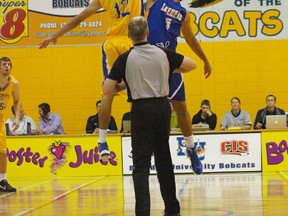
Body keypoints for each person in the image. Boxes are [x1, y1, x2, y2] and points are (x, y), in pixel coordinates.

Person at [100, 16, 196, 216]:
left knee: (141, 164)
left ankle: (142, 212)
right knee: (163, 159)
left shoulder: (125, 58)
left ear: (129, 36)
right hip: (162, 107)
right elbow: (192, 65)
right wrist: (169, 69)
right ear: (148, 33)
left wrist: (125, 84)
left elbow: (107, 89)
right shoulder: (162, 53)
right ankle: (172, 208)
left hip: (140, 110)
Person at [145, 0, 212, 174]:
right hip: (149, 60)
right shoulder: (155, 1)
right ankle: (149, 147)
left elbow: (190, 39)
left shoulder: (184, 13)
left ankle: (191, 148)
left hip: (170, 60)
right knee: (150, 109)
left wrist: (205, 59)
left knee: (181, 109)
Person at [0, 57, 21, 192]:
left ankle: (2, 181)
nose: (7, 66)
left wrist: (17, 118)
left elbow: (17, 101)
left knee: (2, 151)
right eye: (4, 64)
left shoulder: (14, 83)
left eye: (9, 64)